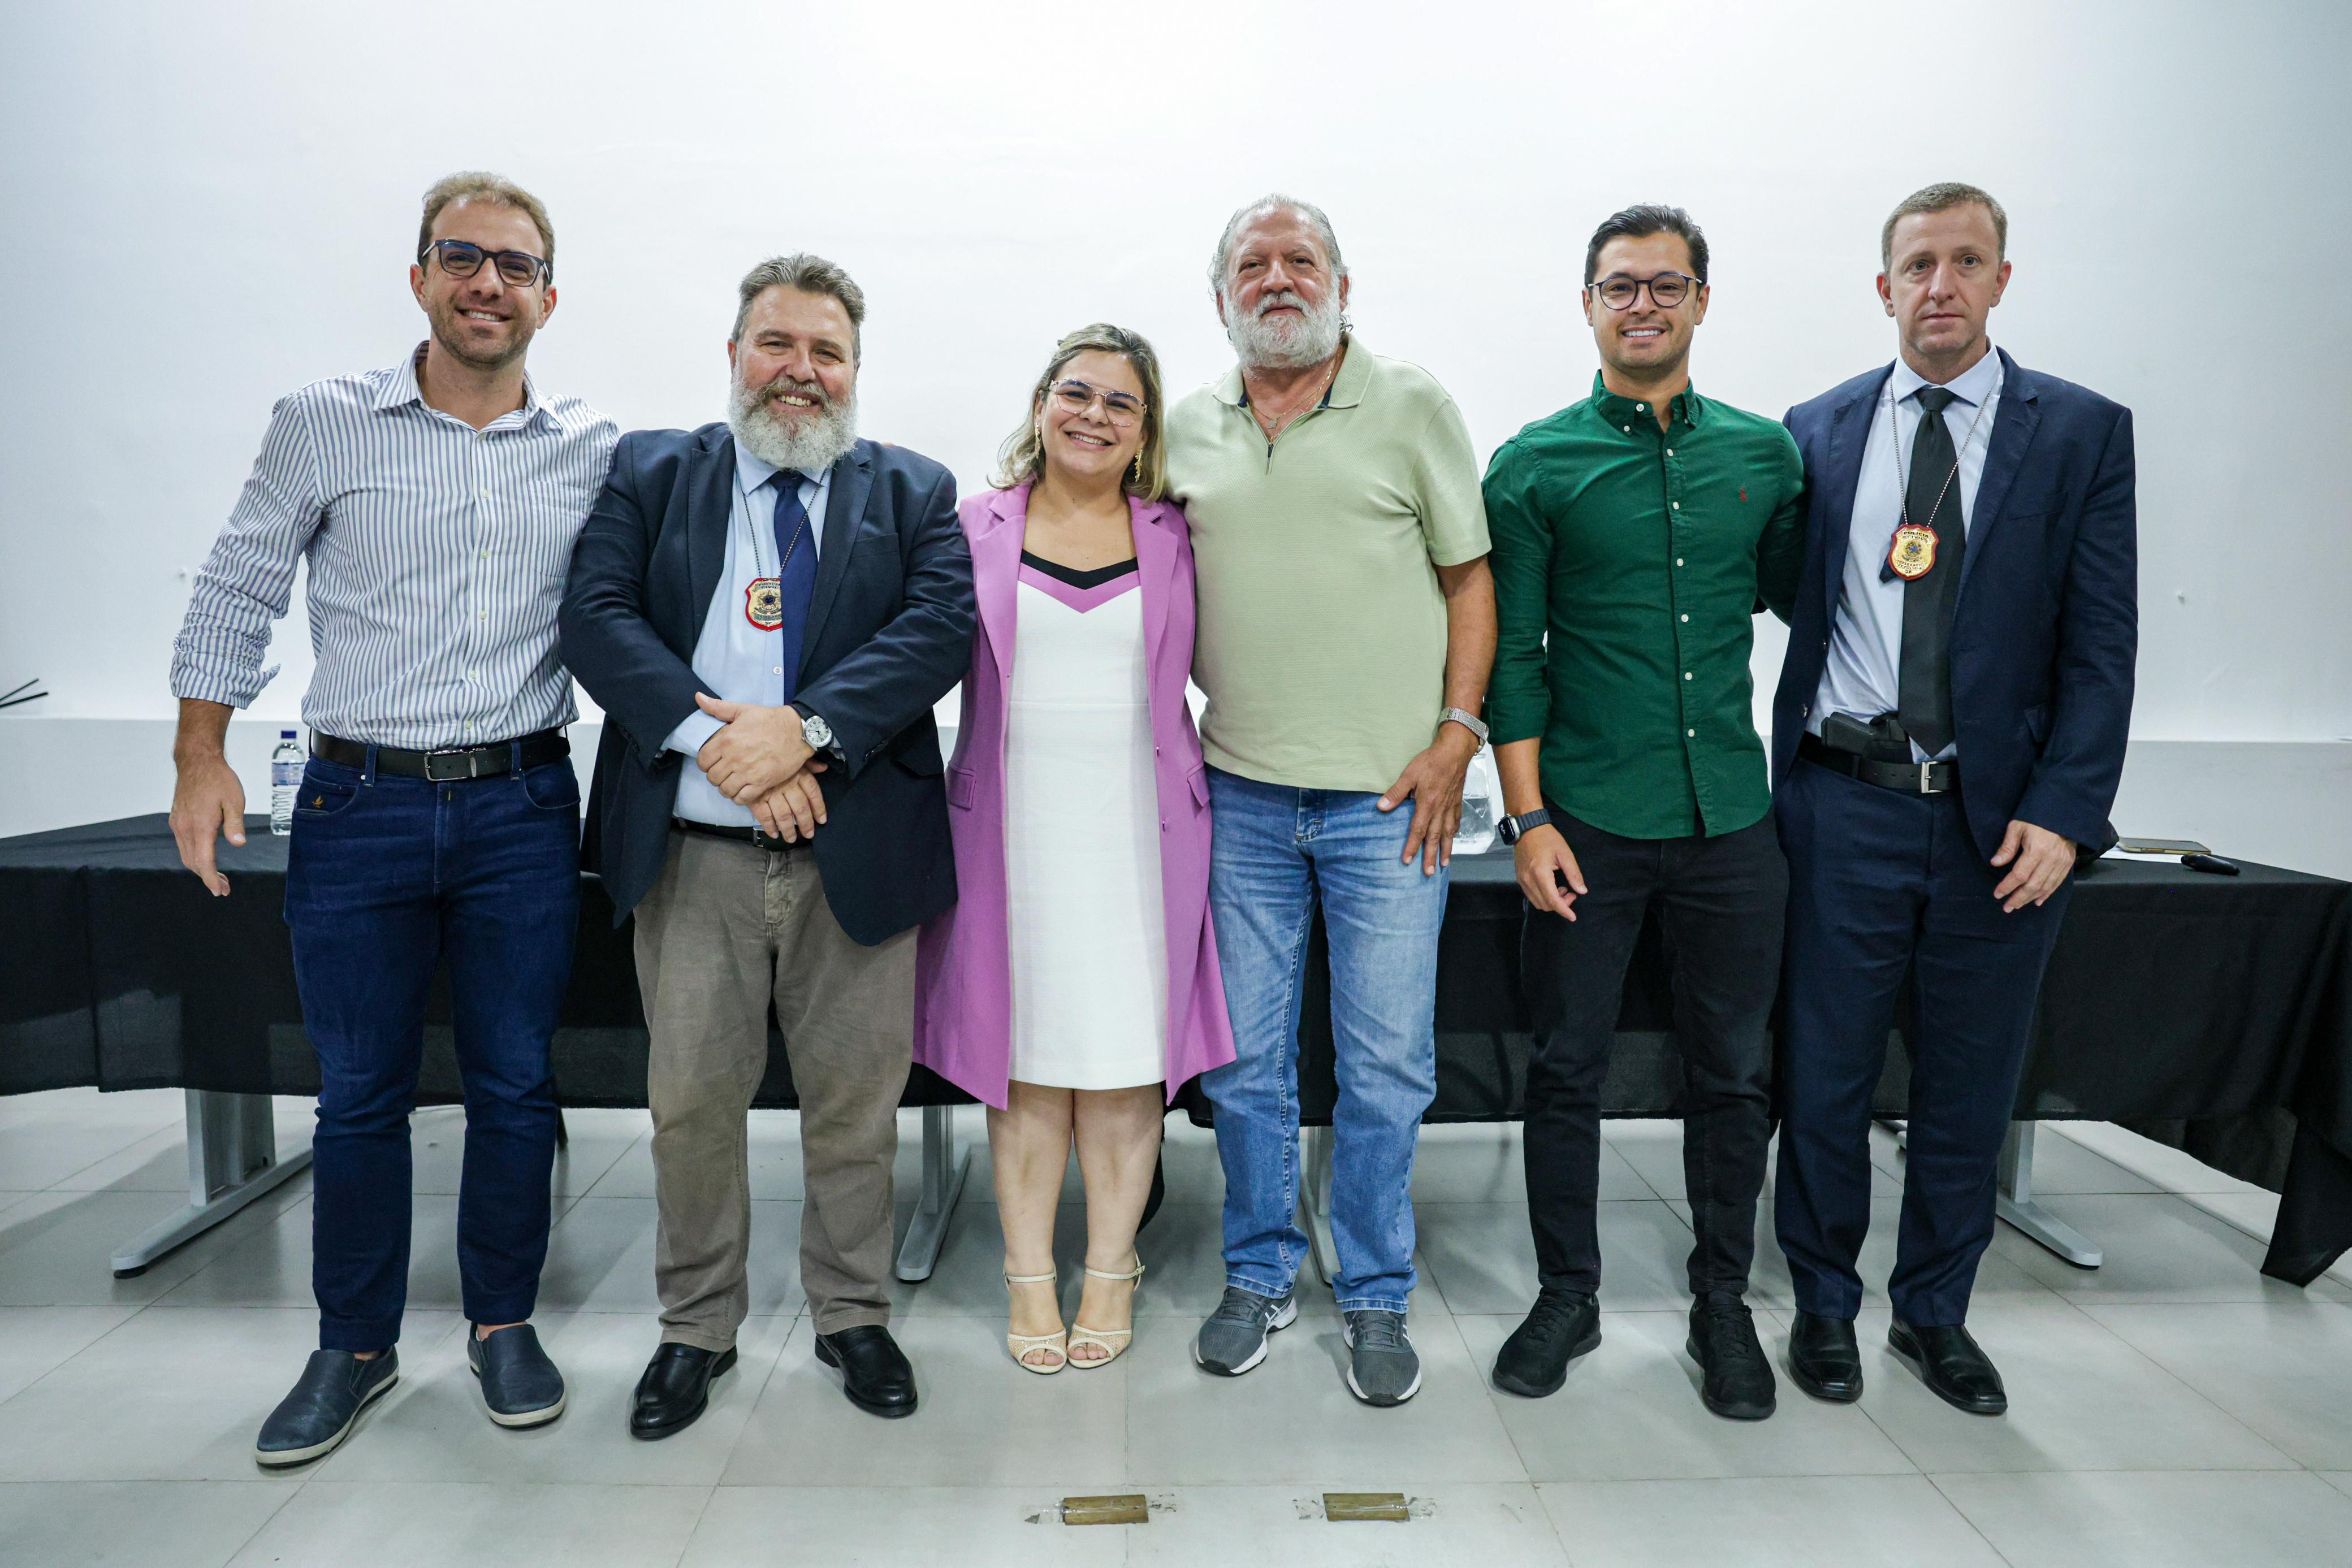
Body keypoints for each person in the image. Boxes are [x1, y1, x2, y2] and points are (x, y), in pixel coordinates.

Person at [168, 172, 617, 1465]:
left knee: (514, 1081)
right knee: (360, 1091)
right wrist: (200, 752)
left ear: (548, 299)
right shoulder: (324, 423)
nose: (488, 284)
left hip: (522, 802)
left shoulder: (594, 449)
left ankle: (502, 1323)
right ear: (418, 276)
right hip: (357, 801)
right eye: (462, 257)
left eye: (516, 266)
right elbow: (239, 584)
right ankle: (353, 1345)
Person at [558, 254, 975, 1435]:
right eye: (777, 344)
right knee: (692, 1105)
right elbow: (596, 616)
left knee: (854, 1107)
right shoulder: (652, 470)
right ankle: (696, 1326)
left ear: (855, 369)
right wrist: (719, 741)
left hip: (856, 856)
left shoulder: (915, 489)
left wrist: (805, 736)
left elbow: (937, 631)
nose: (800, 371)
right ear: (734, 355)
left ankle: (853, 1313)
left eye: (826, 352)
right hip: (693, 856)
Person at [1771, 183, 2137, 1415]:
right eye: (1919, 263)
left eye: (1966, 260)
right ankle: (1823, 1303)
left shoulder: (2079, 432)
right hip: (1842, 804)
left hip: (2001, 825)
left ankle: (1934, 1313)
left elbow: (2101, 645)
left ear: (2000, 281)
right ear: (1884, 287)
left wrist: (2068, 809)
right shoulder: (1814, 429)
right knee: (1823, 1078)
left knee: (1967, 1087)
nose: (1941, 284)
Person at [1168, 194, 1495, 1407]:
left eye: (1301, 260)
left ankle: (1373, 1290)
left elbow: (1471, 583)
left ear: (1342, 286)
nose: (1278, 279)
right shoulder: (1183, 427)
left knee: (1387, 1066)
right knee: (1246, 1067)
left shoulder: (1411, 406)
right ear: (1220, 298)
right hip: (1241, 799)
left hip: (1388, 805)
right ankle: (1258, 1273)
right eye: (1252, 264)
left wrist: (1457, 736)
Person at [1482, 206, 1804, 1420]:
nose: (1643, 306)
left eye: (1666, 285)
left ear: (1701, 302)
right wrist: (1529, 822)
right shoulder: (1533, 465)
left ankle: (1723, 1303)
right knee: (1566, 1067)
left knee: (1732, 1075)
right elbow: (1513, 658)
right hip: (1588, 820)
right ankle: (1568, 1293)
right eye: (1620, 286)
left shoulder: (1767, 458)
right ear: (1588, 305)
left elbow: (1811, 606)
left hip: (1732, 821)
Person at [914, 324, 1234, 1374]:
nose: (1094, 415)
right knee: (1025, 1064)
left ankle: (1109, 1272)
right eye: (1076, 392)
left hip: (1143, 839)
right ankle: (1026, 1277)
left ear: (1146, 431)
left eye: (1120, 402)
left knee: (1126, 1065)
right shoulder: (972, 526)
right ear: (1043, 402)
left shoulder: (1180, 534)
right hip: (1012, 837)